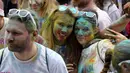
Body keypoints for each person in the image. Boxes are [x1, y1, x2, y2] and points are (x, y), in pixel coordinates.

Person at [0, 9, 68, 73]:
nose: (9, 38)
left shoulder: (53, 62)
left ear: (34, 34)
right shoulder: (1, 57)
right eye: (8, 31)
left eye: (16, 33)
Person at [41, 5, 82, 73]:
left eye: (69, 26)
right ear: (52, 22)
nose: (64, 30)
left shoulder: (76, 46)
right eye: (61, 24)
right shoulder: (41, 46)